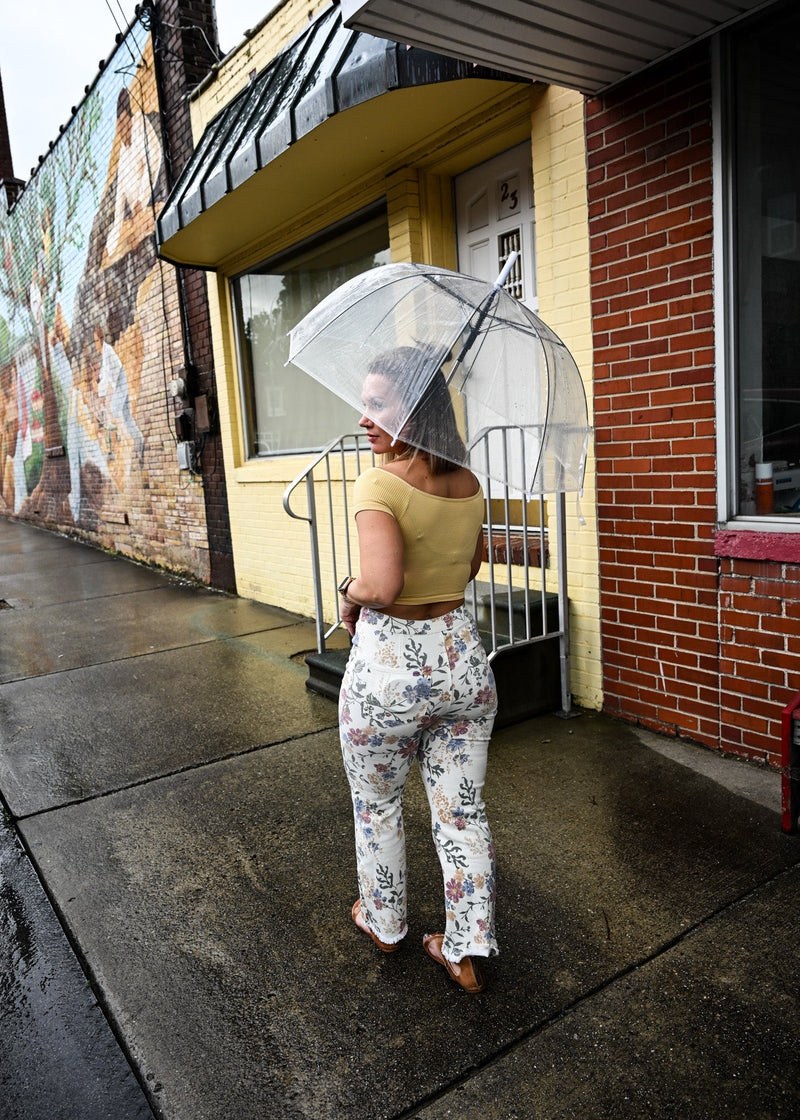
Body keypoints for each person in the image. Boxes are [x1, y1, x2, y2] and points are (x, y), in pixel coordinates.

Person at [338, 346, 498, 993]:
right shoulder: (470, 483)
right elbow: (473, 565)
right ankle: (464, 950)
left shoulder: (379, 484)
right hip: (463, 667)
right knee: (462, 814)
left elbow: (381, 585)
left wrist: (347, 590)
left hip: (390, 679)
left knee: (377, 805)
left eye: (378, 404)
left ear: (417, 407)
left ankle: (385, 923)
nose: (364, 418)